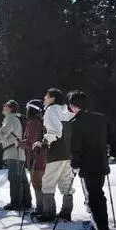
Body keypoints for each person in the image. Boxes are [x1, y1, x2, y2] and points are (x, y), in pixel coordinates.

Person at [68, 90, 113, 230]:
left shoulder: (76, 123)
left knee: (93, 198)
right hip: (101, 163)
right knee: (98, 195)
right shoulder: (100, 119)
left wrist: (74, 164)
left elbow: (76, 147)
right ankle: (100, 226)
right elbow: (112, 137)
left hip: (88, 166)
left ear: (73, 105)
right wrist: (109, 151)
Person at [33, 88, 74, 222]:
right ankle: (66, 212)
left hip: (56, 153)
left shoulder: (51, 110)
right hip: (68, 153)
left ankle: (49, 213)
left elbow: (55, 131)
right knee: (66, 183)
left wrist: (44, 143)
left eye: (47, 95)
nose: (44, 98)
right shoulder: (67, 110)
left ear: (53, 98)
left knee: (48, 182)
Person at [0, 100, 31, 211]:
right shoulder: (16, 118)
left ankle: (16, 203)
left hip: (13, 151)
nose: (3, 107)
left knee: (14, 178)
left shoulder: (10, 118)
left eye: (5, 106)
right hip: (19, 152)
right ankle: (26, 201)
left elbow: (4, 132)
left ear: (10, 109)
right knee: (21, 178)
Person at [20, 99, 47, 216]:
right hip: (44, 157)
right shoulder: (42, 121)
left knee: (37, 183)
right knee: (43, 183)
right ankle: (45, 207)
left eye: (27, 108)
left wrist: (20, 143)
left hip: (36, 158)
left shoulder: (32, 123)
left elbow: (31, 142)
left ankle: (41, 208)